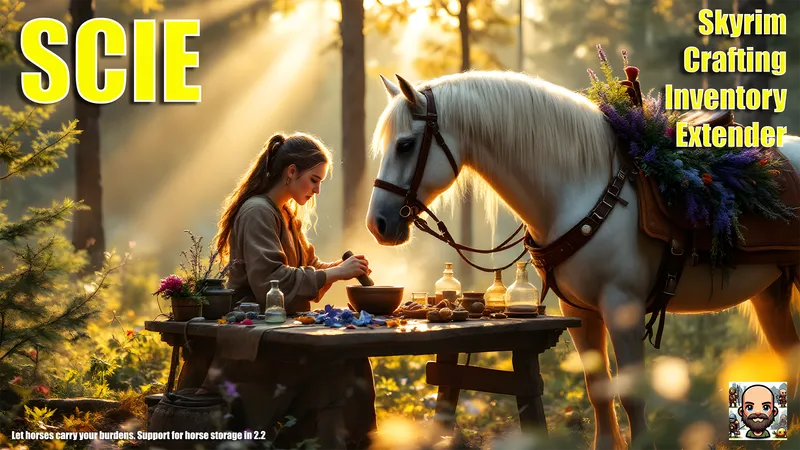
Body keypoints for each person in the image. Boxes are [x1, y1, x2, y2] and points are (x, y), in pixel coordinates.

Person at [207, 132, 377, 449]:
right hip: (258, 327)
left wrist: (339, 269)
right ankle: (320, 437)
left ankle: (353, 439)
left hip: (285, 323)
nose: (317, 190)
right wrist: (336, 272)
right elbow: (272, 280)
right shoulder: (258, 211)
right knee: (338, 359)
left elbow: (308, 264)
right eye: (314, 180)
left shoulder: (287, 214)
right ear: (291, 172)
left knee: (352, 351)